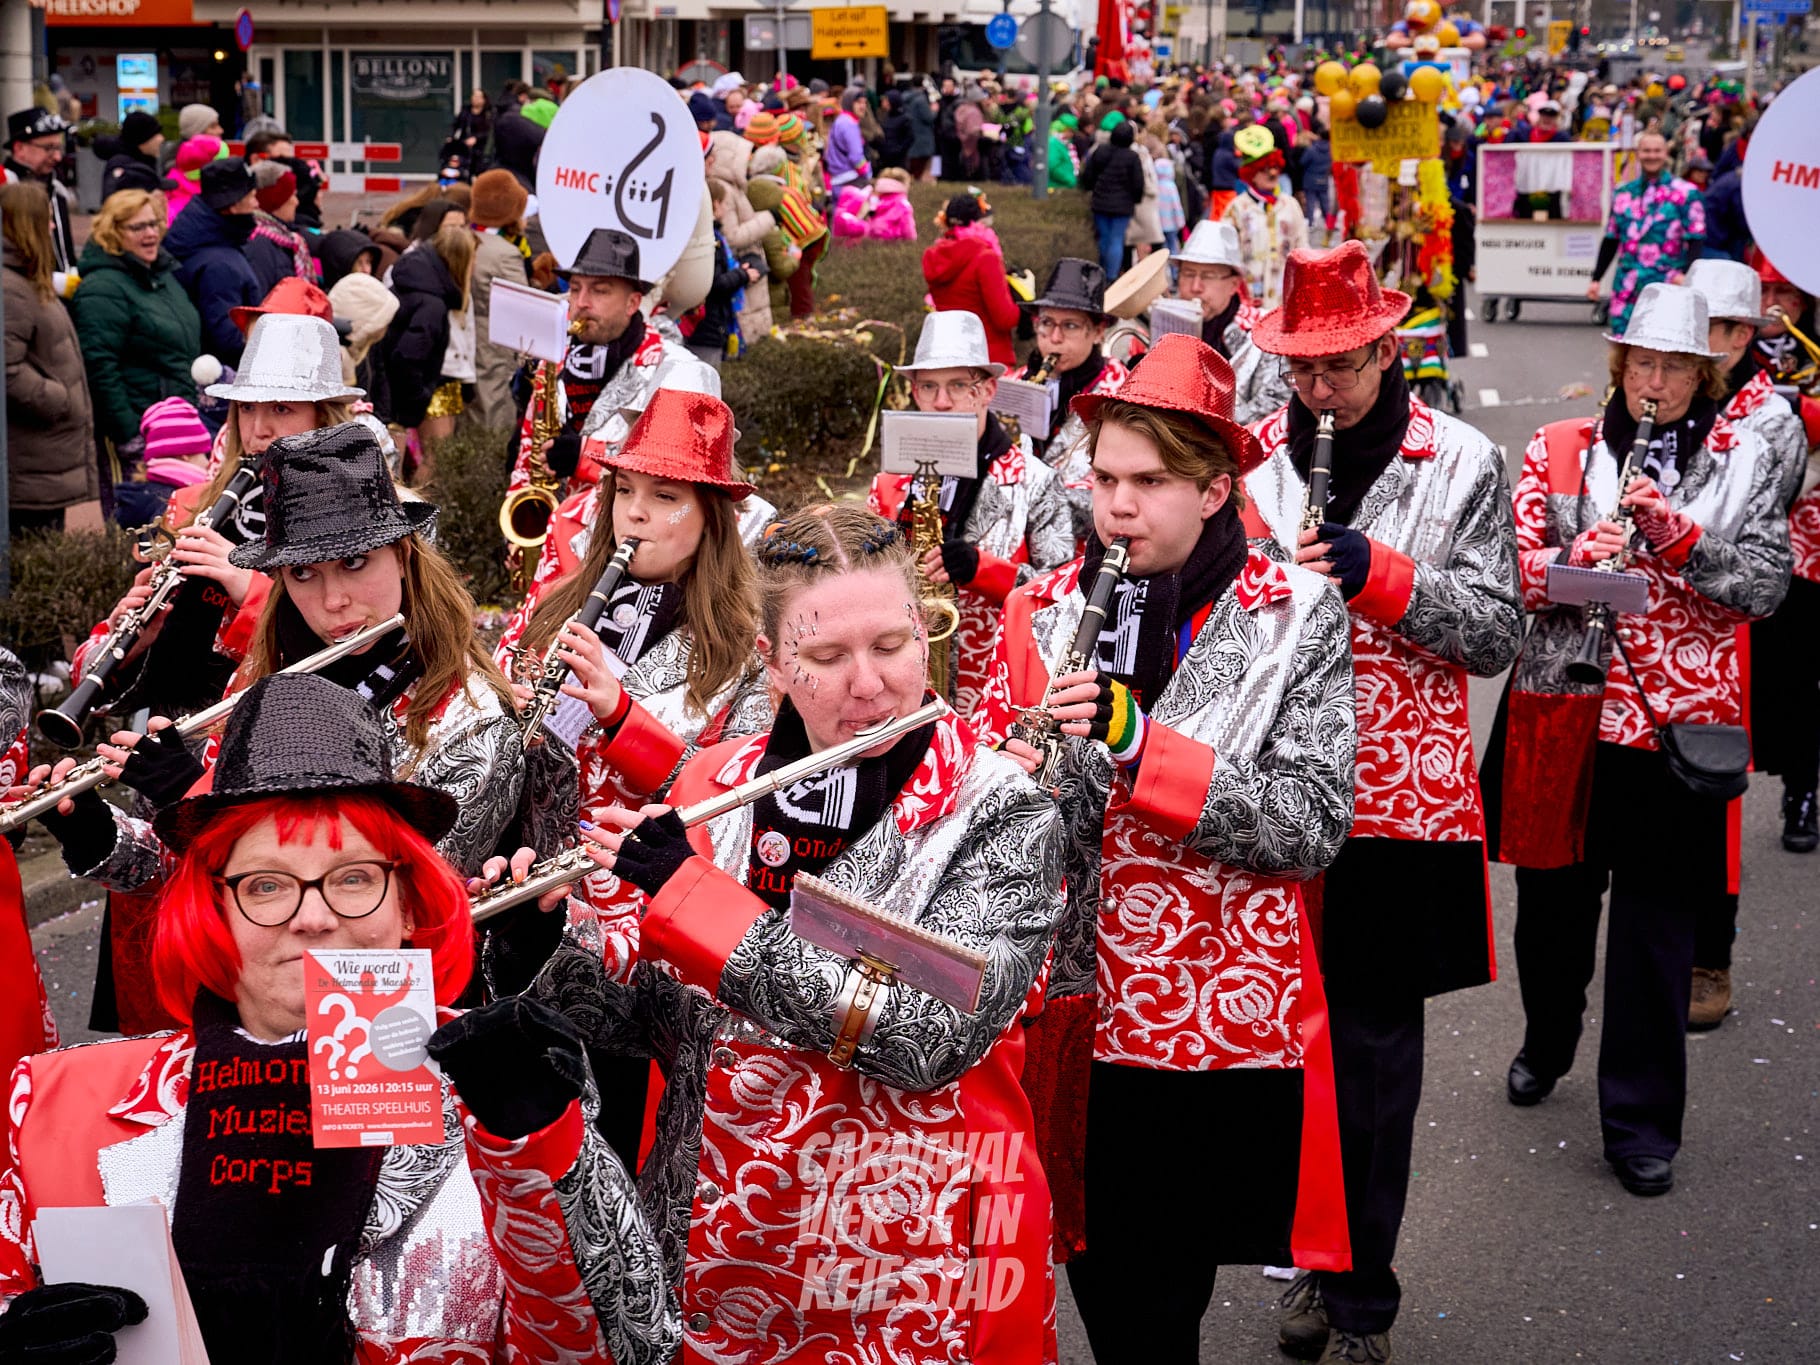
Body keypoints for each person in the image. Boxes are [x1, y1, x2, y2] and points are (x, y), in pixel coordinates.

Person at [487, 501, 1066, 1363]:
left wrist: (697, 904)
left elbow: (930, 1035)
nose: (869, 684)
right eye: (826, 657)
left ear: (924, 632)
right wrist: (543, 941)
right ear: (773, 662)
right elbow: (652, 1015)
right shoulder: (714, 779)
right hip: (704, 1250)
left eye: (892, 645)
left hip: (895, 1257)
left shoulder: (1001, 811)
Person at [0, 669, 679, 1365]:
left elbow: (630, 1349)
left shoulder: (501, 1096)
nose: (314, 917)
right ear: (216, 911)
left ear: (408, 903)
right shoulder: (59, 1103)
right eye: (267, 884)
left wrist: (536, 1154)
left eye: (353, 877)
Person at [977, 334, 1355, 1360]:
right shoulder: (1045, 607)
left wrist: (1144, 747)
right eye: (1104, 480)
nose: (1117, 507)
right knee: (1105, 1287)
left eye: (1147, 483)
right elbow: (998, 819)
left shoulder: (1297, 615)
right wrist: (1006, 781)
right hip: (1070, 1010)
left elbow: (1311, 824)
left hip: (1208, 1019)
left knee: (1164, 1297)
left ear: (1215, 489)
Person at [1244, 242, 1521, 1365]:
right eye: (1301, 369)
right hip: (1269, 788)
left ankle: (1360, 1291)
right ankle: (1306, 1255)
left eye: (1341, 367)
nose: (1319, 390)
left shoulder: (1461, 459)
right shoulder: (1252, 457)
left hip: (1398, 802)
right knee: (1279, 1043)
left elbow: (1495, 631)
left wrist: (1381, 576)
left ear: (1385, 348)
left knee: (1369, 1059)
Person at [1486, 283, 1791, 1199]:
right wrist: (1575, 565)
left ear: (1704, 374)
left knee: (1658, 933)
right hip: (1564, 708)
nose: (1655, 383)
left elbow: (1766, 586)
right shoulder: (1559, 446)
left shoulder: (1744, 456)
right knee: (1550, 915)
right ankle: (1548, 1037)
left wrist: (1680, 536)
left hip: (1671, 726)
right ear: (1620, 367)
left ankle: (1641, 1122)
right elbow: (1506, 571)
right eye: (1642, 364)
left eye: (1675, 368)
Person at [27, 419, 528, 898]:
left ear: (402, 555)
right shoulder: (269, 678)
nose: (333, 600)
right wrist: (95, 832)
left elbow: (390, 903)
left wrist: (195, 798)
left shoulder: (473, 723)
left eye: (354, 563)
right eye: (303, 573)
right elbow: (204, 885)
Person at [54, 313, 363, 1035]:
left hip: (276, 769)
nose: (259, 429)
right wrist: (130, 638)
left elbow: (349, 647)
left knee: (263, 978)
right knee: (168, 978)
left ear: (326, 416)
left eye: (281, 409)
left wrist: (246, 585)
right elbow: (112, 658)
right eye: (247, 409)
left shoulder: (359, 513)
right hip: (169, 759)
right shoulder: (195, 504)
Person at [1679, 259, 1808, 1026]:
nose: (1710, 341)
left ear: (1746, 333)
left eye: (1724, 327)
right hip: (1658, 623)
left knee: (1716, 792)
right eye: (1700, 324)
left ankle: (1710, 956)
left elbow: (1764, 517)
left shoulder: (1771, 416)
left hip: (1729, 615)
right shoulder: (1665, 390)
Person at [868, 312, 1072, 718]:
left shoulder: (1037, 482)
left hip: (997, 691)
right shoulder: (889, 484)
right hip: (904, 691)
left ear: (988, 390)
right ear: (915, 393)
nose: (942, 402)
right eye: (929, 386)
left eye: (959, 385)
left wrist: (983, 570)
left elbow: (1064, 600)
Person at [503, 228, 716, 541]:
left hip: (634, 546)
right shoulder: (553, 360)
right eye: (575, 289)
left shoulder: (681, 371)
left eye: (599, 291)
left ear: (632, 303)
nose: (581, 303)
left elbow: (686, 472)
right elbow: (529, 447)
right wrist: (518, 530)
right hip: (557, 542)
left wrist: (584, 457)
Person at [69, 188, 202, 481]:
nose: (150, 233)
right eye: (137, 227)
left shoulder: (160, 275)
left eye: (153, 223)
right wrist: (128, 434)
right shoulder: (102, 288)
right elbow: (99, 368)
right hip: (141, 434)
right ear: (113, 232)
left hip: (172, 425)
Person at [2, 179, 97, 534]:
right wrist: (57, 398)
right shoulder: (11, 290)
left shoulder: (26, 281)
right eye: (46, 219)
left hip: (43, 459)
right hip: (32, 462)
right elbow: (7, 369)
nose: (53, 226)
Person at [1011, 258, 1130, 540]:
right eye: (1047, 323)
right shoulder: (1016, 383)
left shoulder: (1122, 396)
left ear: (1098, 331)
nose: (1054, 338)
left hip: (1084, 542)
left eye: (1070, 326)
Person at [1169, 218, 1289, 423]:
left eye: (1207, 276)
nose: (1195, 287)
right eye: (1188, 274)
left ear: (1234, 285)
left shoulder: (1263, 332)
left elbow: (1274, 407)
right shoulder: (1164, 325)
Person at [1586, 130, 1706, 335]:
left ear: (1665, 153)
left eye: (1657, 151)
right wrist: (1596, 279)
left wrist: (1686, 276)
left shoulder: (1686, 193)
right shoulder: (1623, 193)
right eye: (1646, 151)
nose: (1652, 156)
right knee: (1622, 343)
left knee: (1663, 343)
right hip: (1627, 285)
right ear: (1638, 153)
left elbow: (1696, 240)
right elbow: (1611, 239)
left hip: (1667, 283)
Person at [367, 222, 472, 437]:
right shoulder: (432, 305)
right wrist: (419, 398)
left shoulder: (417, 283)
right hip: (397, 405)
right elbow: (407, 357)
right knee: (428, 455)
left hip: (389, 394)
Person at [165, 157, 263, 366]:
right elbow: (228, 339)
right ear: (234, 204)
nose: (257, 204)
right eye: (252, 196)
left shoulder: (211, 239)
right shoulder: (218, 264)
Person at [464, 168, 531, 430]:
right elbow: (524, 305)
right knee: (493, 404)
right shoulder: (505, 253)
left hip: (466, 333)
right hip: (496, 339)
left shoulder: (465, 238)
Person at [921, 192, 1019, 369]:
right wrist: (1024, 299)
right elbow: (1005, 319)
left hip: (950, 358)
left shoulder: (933, 256)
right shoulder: (985, 258)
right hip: (989, 360)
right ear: (979, 222)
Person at [1223, 124, 1309, 312]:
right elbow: (1226, 256)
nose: (1272, 173)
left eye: (1275, 167)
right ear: (1252, 174)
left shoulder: (1290, 205)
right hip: (1250, 300)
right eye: (1265, 169)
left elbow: (1303, 248)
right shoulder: (1237, 208)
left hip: (1286, 297)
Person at [3, 107, 75, 278]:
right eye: (49, 148)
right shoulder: (5, 190)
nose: (57, 157)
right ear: (20, 148)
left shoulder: (56, 190)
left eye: (59, 148)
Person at [1080, 120, 1146, 281]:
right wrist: (1135, 199)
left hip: (1101, 201)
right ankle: (1111, 276)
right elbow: (1138, 183)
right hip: (1123, 204)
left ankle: (1101, 270)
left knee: (1103, 238)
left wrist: (1091, 189)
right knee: (1116, 239)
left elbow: (1088, 175)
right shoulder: (1132, 157)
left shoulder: (1100, 151)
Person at [243, 160, 317, 298]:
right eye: (292, 195)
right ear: (276, 200)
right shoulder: (259, 245)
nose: (296, 202)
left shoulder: (285, 239)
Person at [826, 87, 872, 190]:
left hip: (839, 178)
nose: (863, 106)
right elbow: (856, 156)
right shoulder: (849, 124)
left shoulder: (841, 120)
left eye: (865, 102)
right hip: (850, 179)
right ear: (849, 103)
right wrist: (866, 174)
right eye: (859, 102)